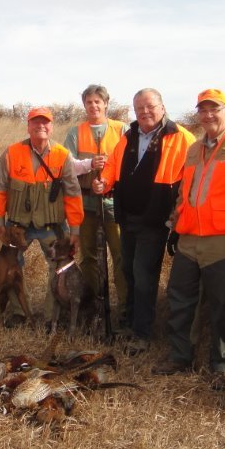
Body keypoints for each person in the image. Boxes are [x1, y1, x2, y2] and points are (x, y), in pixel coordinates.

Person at [154, 89, 225, 390]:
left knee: (224, 306)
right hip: (190, 238)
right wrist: (175, 227)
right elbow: (185, 193)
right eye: (202, 110)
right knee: (180, 300)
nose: (208, 115)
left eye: (214, 109)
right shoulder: (194, 149)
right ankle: (180, 357)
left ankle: (222, 366)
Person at [93, 88, 195, 355]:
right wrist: (103, 182)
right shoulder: (129, 136)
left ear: (162, 107)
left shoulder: (181, 137)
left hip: (155, 219)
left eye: (150, 106)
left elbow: (192, 179)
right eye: (139, 108)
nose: (145, 112)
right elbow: (112, 166)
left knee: (143, 275)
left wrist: (178, 213)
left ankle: (141, 333)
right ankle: (130, 322)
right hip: (127, 216)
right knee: (128, 270)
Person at [0, 106, 84, 324]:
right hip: (18, 226)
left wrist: (75, 230)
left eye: (45, 122)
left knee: (59, 267)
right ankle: (19, 312)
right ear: (28, 126)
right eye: (35, 122)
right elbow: (0, 189)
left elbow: (73, 194)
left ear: (52, 127)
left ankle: (51, 316)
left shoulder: (62, 155)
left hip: (51, 226)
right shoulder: (12, 153)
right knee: (10, 266)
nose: (40, 126)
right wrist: (0, 223)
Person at [63, 85, 128, 333]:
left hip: (113, 204)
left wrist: (109, 177)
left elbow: (130, 164)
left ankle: (124, 310)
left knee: (121, 257)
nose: (93, 106)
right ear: (84, 105)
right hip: (86, 205)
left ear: (106, 103)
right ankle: (92, 309)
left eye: (97, 101)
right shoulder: (76, 132)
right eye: (89, 102)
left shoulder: (121, 130)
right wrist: (90, 164)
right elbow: (67, 166)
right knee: (88, 258)